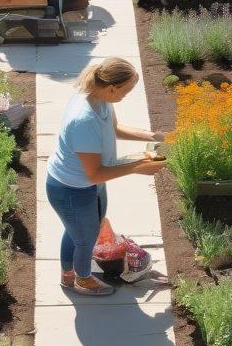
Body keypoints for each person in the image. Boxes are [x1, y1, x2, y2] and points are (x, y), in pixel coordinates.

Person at [46, 58, 167, 296]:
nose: (127, 95)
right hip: (71, 189)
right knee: (85, 238)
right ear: (112, 87)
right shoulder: (84, 119)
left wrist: (154, 136)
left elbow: (115, 128)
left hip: (88, 185)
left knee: (77, 231)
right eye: (127, 90)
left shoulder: (101, 101)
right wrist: (136, 167)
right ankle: (83, 279)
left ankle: (68, 274)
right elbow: (95, 172)